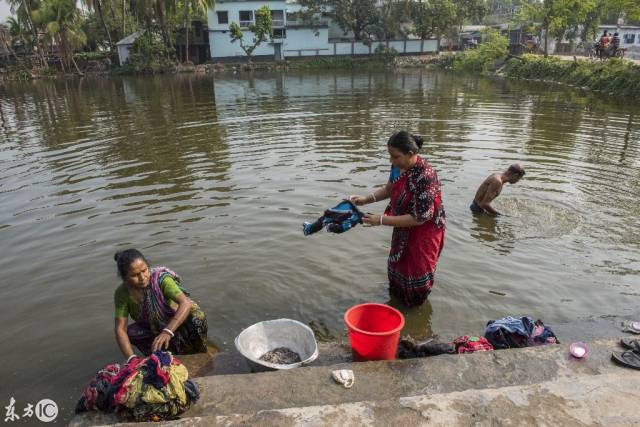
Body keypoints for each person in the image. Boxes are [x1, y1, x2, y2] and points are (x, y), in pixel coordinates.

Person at [350, 131, 446, 307]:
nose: (391, 161)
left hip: (423, 231)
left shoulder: (426, 176)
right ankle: (397, 303)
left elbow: (420, 218)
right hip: (402, 225)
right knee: (398, 265)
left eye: (395, 156)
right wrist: (366, 199)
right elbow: (388, 189)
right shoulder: (398, 167)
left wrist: (381, 220)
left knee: (416, 269)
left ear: (410, 154)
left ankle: (415, 312)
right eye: (390, 156)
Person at [113, 249, 208, 360]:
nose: (142, 278)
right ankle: (162, 356)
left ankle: (201, 351)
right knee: (131, 333)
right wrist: (131, 358)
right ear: (124, 278)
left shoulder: (160, 279)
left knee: (197, 317)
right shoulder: (122, 293)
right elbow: (120, 329)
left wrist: (168, 331)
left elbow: (185, 303)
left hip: (176, 319)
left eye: (144, 270)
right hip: (152, 327)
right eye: (135, 275)